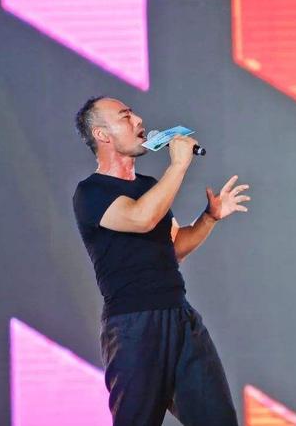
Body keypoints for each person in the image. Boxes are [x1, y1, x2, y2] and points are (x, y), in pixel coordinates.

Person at [72, 96, 250, 425]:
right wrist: (178, 165)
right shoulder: (92, 192)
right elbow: (140, 218)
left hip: (180, 317)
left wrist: (209, 218)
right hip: (134, 326)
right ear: (102, 135)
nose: (138, 120)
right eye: (125, 116)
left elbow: (174, 248)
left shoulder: (149, 187)